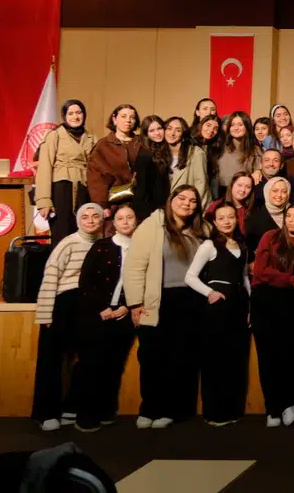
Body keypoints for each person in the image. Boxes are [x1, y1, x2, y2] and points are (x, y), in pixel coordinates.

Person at [123, 184, 208, 429]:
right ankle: (149, 408)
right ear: (171, 200)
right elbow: (134, 266)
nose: (187, 204)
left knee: (181, 358)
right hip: (158, 299)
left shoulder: (201, 230)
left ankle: (172, 409)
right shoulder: (152, 226)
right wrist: (135, 303)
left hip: (190, 300)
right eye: (182, 198)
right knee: (152, 356)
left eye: (192, 201)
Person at [31, 203, 104, 431]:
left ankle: (72, 408)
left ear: (102, 221)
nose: (90, 220)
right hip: (63, 303)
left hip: (89, 305)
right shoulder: (68, 243)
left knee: (86, 359)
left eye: (95, 216)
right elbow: (51, 276)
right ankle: (46, 413)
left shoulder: (104, 245)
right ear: (78, 220)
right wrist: (45, 313)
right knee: (51, 359)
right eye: (85, 217)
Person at [184, 201, 251, 427]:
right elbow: (190, 277)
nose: (227, 221)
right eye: (221, 218)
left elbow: (244, 278)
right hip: (217, 307)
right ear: (214, 222)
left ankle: (233, 410)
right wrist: (210, 292)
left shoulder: (242, 245)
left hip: (239, 305)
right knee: (215, 359)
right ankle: (215, 412)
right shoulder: (209, 245)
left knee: (235, 359)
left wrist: (249, 307)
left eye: (231, 216)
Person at [73, 203, 138, 432]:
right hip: (97, 314)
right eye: (121, 218)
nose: (125, 222)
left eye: (130, 217)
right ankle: (86, 416)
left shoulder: (142, 249)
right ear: (114, 223)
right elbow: (86, 281)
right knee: (93, 365)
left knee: (114, 365)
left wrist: (127, 307)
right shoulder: (101, 246)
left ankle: (106, 410)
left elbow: (143, 282)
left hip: (124, 314)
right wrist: (101, 307)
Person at [252, 203, 294, 428]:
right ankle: (272, 408)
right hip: (265, 302)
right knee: (267, 358)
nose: (291, 219)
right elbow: (260, 271)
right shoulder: (271, 236)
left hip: (292, 305)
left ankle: (289, 403)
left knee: (288, 356)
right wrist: (291, 279)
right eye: (289, 215)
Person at [34, 99, 96, 243]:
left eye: (79, 113)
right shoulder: (54, 136)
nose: (75, 117)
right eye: (71, 113)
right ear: (64, 116)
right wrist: (44, 201)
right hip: (61, 188)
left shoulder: (91, 138)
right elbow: (44, 168)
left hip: (84, 188)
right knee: (62, 235)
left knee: (84, 235)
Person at [88, 104, 143, 229]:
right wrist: (102, 205)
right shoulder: (103, 146)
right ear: (114, 119)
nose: (128, 120)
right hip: (114, 204)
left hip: (139, 203)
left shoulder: (141, 143)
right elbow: (95, 178)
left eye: (132, 117)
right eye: (123, 116)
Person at [131, 115, 172, 223]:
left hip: (165, 206)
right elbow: (141, 190)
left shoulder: (164, 150)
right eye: (152, 131)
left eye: (159, 128)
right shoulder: (145, 155)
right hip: (152, 210)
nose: (157, 133)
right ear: (146, 134)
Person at [175, 114, 221, 206]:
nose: (211, 130)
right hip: (188, 192)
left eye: (215, 128)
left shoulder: (211, 148)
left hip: (204, 192)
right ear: (201, 125)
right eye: (208, 125)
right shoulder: (190, 144)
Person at [217, 112, 261, 192]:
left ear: (247, 127)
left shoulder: (255, 149)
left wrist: (258, 171)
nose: (236, 128)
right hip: (221, 191)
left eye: (240, 125)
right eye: (232, 125)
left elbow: (259, 169)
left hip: (244, 191)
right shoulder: (220, 146)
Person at [245, 176, 290, 254]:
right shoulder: (255, 217)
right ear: (267, 192)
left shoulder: (292, 213)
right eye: (275, 191)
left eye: (284, 191)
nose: (279, 195)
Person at [207, 172, 254, 237]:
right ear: (232, 185)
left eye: (248, 187)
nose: (243, 190)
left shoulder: (252, 209)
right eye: (239, 185)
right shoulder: (216, 206)